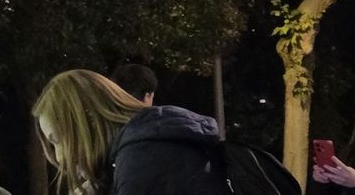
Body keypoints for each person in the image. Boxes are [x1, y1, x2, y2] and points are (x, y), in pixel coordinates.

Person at [33, 68, 222, 195]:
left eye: (57, 139)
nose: (58, 157)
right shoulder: (151, 144)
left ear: (88, 119)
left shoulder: (144, 160)